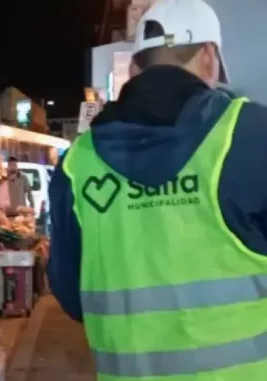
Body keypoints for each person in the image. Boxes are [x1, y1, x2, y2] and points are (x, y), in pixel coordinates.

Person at [47, 0, 267, 379]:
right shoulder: (252, 134)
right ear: (210, 57)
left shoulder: (78, 163)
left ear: (134, 68)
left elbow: (72, 295)